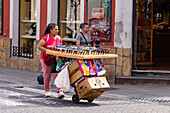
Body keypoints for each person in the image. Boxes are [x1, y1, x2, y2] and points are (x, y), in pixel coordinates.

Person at [37, 23, 64, 99]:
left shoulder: (59, 38)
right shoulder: (46, 37)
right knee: (47, 75)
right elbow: (39, 46)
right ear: (51, 30)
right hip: (46, 59)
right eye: (55, 29)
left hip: (55, 59)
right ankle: (47, 91)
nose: (57, 31)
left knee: (57, 75)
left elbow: (60, 47)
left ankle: (59, 91)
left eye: (58, 29)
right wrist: (47, 51)